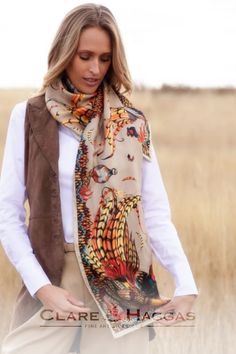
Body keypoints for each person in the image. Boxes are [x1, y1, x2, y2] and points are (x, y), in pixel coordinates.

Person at [0, 3, 198, 354]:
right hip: (56, 275)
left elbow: (152, 213)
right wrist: (41, 287)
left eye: (104, 59)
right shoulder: (29, 117)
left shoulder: (132, 124)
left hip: (121, 283)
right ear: (64, 54)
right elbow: (8, 214)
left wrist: (186, 283)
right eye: (85, 56)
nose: (94, 69)